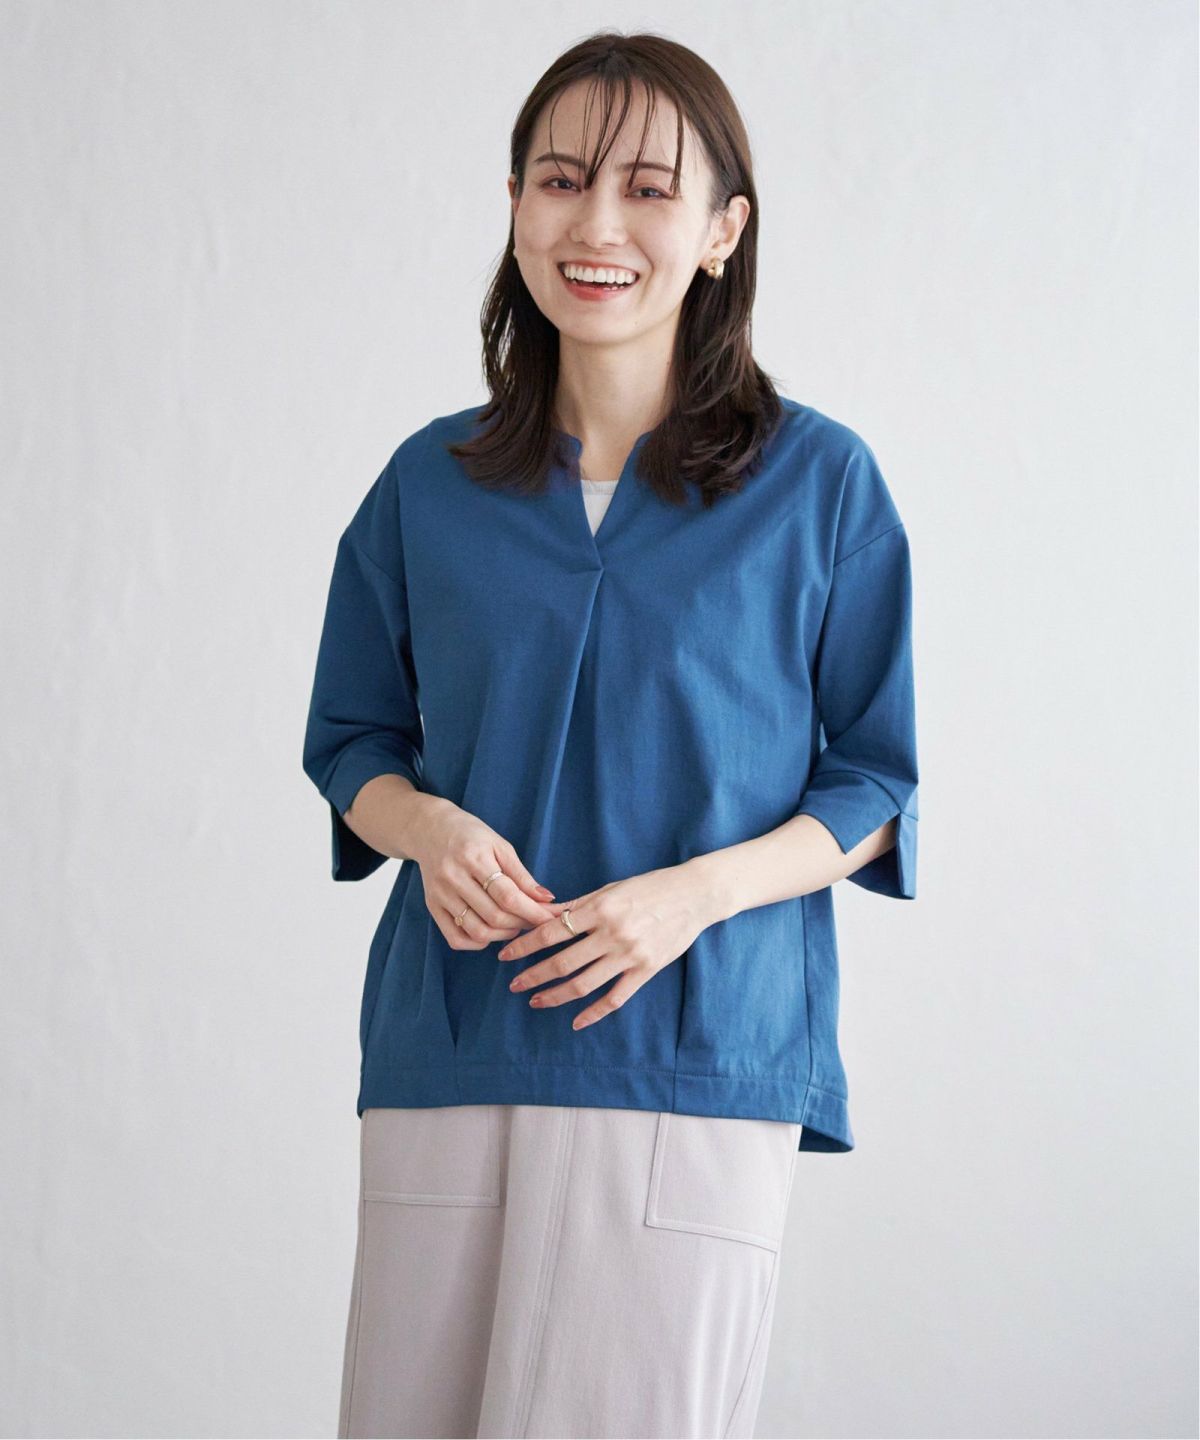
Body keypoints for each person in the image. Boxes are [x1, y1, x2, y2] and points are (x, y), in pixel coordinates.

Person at [302, 29, 919, 1440]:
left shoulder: (820, 484)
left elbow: (876, 781)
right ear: (517, 203)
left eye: (648, 188)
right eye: (561, 179)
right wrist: (429, 827)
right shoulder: (428, 485)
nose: (596, 226)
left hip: (698, 1055)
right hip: (452, 1043)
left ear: (722, 231)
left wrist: (689, 898)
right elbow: (352, 740)